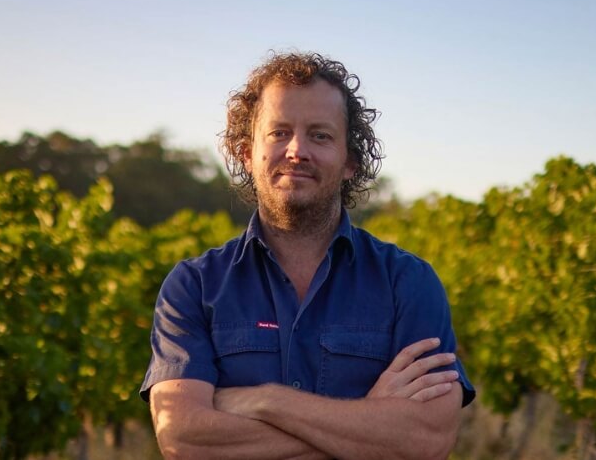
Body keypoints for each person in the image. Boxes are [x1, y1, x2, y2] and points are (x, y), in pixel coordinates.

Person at [140, 52, 475, 459]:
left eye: (320, 136)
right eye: (279, 133)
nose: (297, 150)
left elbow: (425, 440)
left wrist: (265, 401)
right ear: (246, 154)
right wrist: (368, 422)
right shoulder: (193, 286)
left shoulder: (408, 282)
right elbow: (184, 439)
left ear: (350, 162)